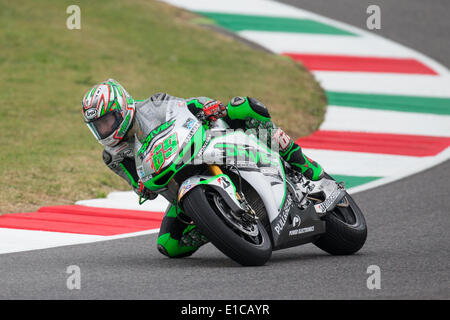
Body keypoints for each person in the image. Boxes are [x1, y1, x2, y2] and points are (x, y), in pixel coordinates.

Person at [82, 79, 324, 258]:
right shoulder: (112, 156)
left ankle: (300, 160)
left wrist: (206, 106)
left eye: (107, 120)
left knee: (243, 107)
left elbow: (185, 106)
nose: (104, 129)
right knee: (169, 245)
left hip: (203, 142)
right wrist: (143, 189)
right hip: (176, 181)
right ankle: (216, 225)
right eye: (98, 125)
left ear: (123, 109)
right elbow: (137, 183)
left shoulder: (152, 104)